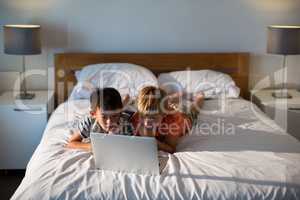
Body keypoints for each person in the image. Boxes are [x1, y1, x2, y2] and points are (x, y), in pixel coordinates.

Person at [131, 86, 204, 153]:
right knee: (167, 102)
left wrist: (152, 141)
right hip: (166, 108)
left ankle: (200, 96)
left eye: (153, 118)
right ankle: (179, 95)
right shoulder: (138, 116)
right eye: (143, 116)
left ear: (164, 115)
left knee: (193, 110)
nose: (146, 122)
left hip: (184, 118)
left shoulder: (173, 122)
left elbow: (171, 149)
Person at [66, 87, 133, 151]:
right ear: (93, 114)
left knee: (127, 107)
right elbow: (71, 143)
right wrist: (92, 147)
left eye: (114, 116)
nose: (109, 122)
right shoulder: (89, 122)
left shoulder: (125, 123)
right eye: (104, 117)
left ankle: (126, 100)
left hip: (124, 112)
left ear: (120, 114)